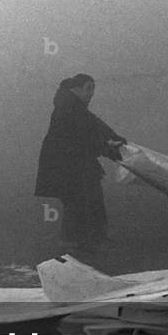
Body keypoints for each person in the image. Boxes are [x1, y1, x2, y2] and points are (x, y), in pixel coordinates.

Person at [35, 74, 126, 249]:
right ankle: (77, 241)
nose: (91, 93)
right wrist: (107, 148)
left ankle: (87, 239)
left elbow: (94, 127)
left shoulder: (71, 106)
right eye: (88, 88)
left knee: (84, 198)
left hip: (72, 163)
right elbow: (81, 138)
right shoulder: (69, 108)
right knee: (78, 200)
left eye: (93, 89)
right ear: (76, 89)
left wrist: (112, 139)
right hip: (67, 165)